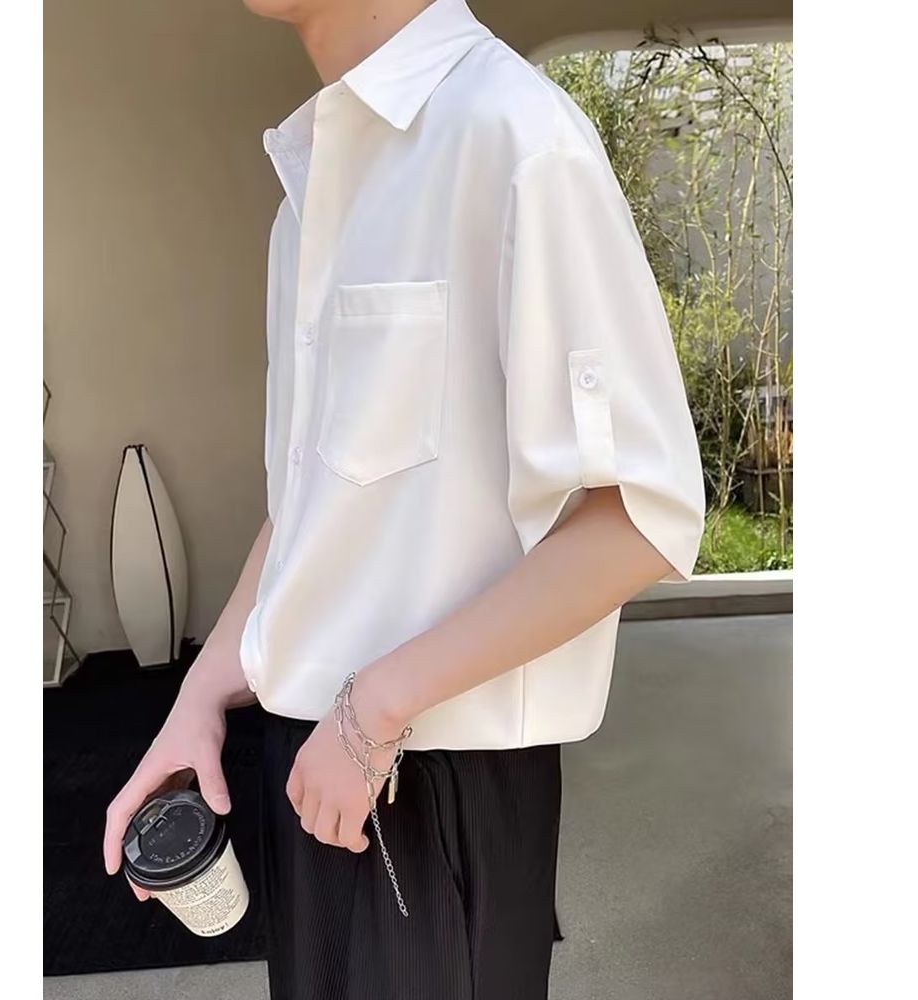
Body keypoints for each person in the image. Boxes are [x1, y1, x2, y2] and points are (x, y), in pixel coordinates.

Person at [103, 1, 706, 997]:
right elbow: (311, 506)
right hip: (317, 765)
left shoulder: (514, 137)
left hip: (433, 782)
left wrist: (378, 706)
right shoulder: (312, 185)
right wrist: (200, 695)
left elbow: (642, 512)